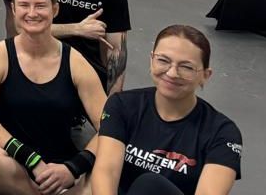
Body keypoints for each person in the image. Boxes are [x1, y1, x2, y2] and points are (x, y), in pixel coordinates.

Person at [0, 0, 107, 195]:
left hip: (63, 168)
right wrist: (30, 159)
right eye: (24, 5)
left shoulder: (75, 62)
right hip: (15, 162)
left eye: (40, 6)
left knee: (110, 168)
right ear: (14, 10)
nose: (32, 13)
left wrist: (74, 167)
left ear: (55, 10)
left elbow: (110, 125)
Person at [91, 25, 242, 195]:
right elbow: (107, 172)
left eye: (186, 67)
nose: (172, 73)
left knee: (149, 185)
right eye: (163, 60)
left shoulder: (222, 132)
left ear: (205, 75)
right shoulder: (122, 105)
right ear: (151, 60)